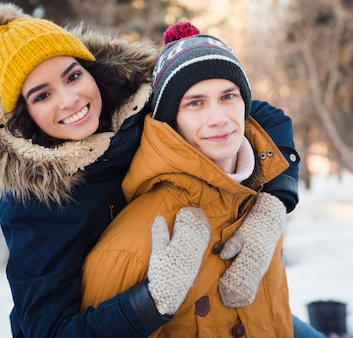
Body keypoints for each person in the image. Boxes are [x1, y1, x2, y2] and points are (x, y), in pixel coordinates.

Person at [0, 2, 301, 337]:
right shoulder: (32, 205)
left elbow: (256, 117)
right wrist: (152, 299)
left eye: (73, 76)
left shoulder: (135, 109)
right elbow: (48, 330)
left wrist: (274, 203)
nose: (69, 100)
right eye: (42, 96)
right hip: (121, 319)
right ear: (23, 115)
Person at [80, 22, 304, 336]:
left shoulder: (260, 208)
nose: (218, 118)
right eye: (195, 103)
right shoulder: (129, 246)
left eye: (228, 96)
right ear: (171, 120)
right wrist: (151, 303)